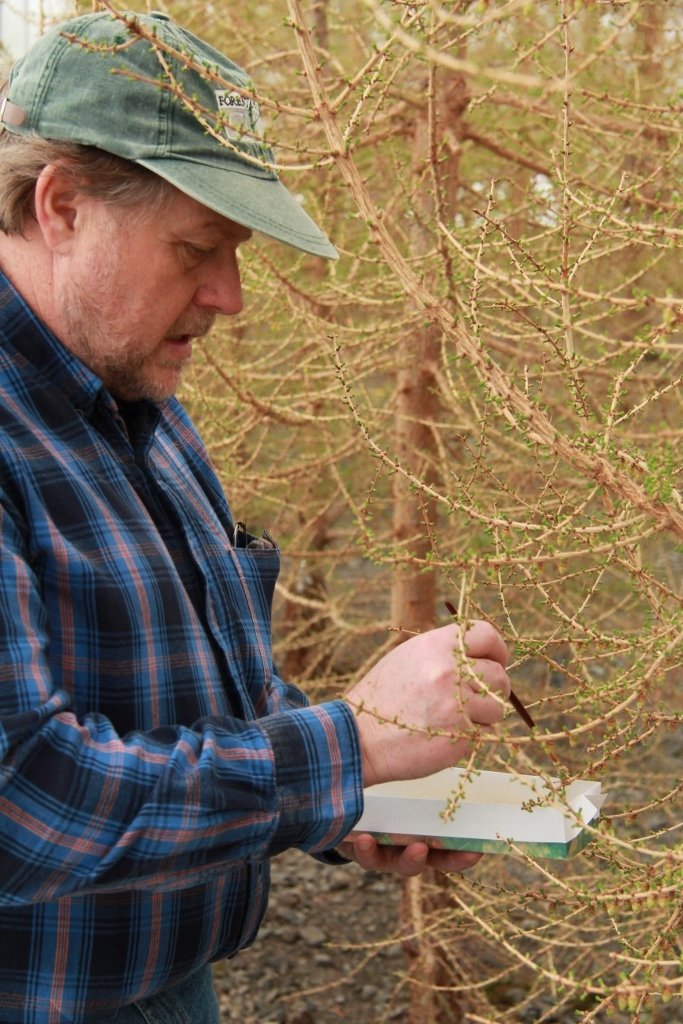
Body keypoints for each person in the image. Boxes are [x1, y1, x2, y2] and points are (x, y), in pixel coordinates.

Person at [0, 10, 511, 1023]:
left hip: (173, 987)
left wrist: (348, 807)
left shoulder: (141, 402)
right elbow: (25, 797)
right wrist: (346, 746)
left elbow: (202, 694)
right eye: (195, 247)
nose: (229, 295)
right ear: (59, 206)